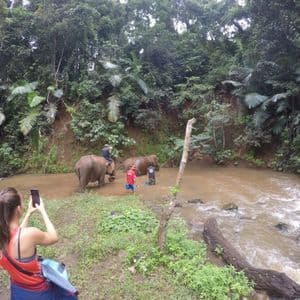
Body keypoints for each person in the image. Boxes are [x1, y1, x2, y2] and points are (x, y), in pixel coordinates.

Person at [0, 187, 77, 300]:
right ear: (18, 209)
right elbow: (54, 237)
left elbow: (16, 236)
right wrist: (43, 211)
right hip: (38, 292)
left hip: (18, 290)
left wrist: (28, 213)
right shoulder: (29, 234)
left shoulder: (4, 235)